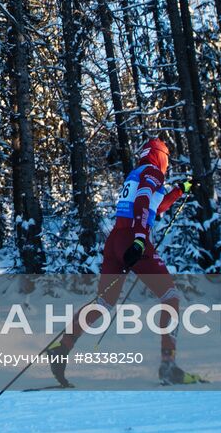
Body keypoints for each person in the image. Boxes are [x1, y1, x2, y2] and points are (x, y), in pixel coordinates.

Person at [47, 136, 203, 386]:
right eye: (167, 158)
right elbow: (142, 202)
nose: (167, 164)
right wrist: (141, 239)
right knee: (170, 297)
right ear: (159, 155)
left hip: (115, 241)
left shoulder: (139, 171)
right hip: (132, 237)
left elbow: (156, 207)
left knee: (104, 302)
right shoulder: (153, 170)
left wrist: (180, 190)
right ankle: (168, 365)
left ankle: (61, 347)